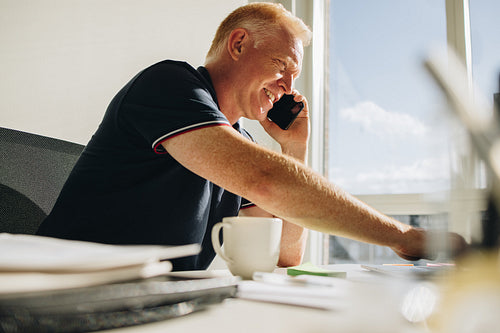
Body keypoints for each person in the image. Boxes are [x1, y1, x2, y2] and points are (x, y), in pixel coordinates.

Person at [37, 3, 467, 270]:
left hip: (147, 301)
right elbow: (267, 181)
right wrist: (404, 238)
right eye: (282, 65)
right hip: (57, 294)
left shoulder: (237, 140)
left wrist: (294, 149)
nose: (289, 86)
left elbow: (286, 254)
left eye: (295, 76)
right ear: (238, 44)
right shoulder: (170, 85)